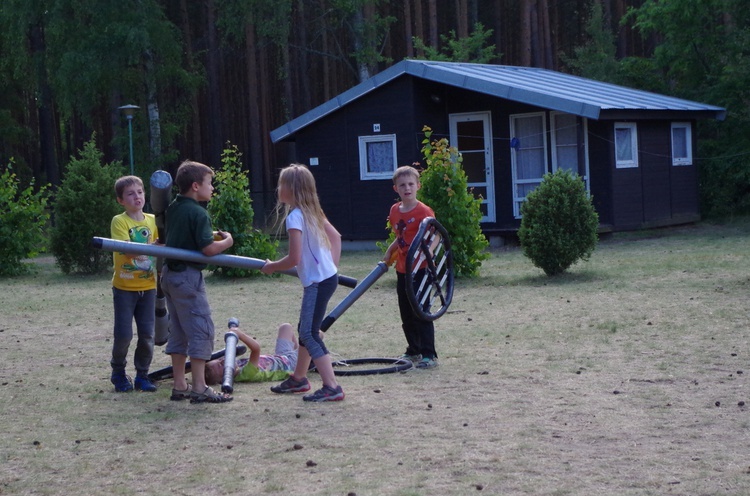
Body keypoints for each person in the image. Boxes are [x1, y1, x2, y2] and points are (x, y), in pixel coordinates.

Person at [261, 163, 345, 402]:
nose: (278, 188)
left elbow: (294, 258)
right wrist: (331, 267)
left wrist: (271, 267)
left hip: (318, 283)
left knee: (309, 333)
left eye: (281, 184)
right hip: (326, 278)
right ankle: (299, 379)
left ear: (291, 189)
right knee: (305, 330)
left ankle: (331, 386)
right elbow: (336, 238)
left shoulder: (296, 217)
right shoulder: (313, 212)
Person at [160, 160, 234, 404]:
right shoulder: (198, 212)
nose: (212, 188)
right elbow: (208, 249)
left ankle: (180, 384)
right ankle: (200, 387)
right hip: (188, 278)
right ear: (195, 186)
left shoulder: (173, 207)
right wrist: (227, 242)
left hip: (169, 275)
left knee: (179, 330)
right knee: (202, 329)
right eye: (209, 183)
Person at [382, 165, 439, 369]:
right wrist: (390, 251)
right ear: (395, 188)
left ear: (418, 186)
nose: (407, 188)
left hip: (421, 270)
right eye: (402, 185)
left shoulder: (424, 211)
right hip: (403, 269)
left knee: (421, 311)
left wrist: (429, 249)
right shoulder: (395, 211)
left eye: (411, 184)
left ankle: (428, 354)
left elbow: (437, 234)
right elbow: (401, 237)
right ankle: (413, 350)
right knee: (406, 312)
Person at [110, 175, 159, 392]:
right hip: (124, 289)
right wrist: (154, 247)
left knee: (147, 334)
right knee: (124, 335)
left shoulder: (153, 220)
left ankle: (142, 375)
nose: (136, 197)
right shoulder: (120, 221)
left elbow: (162, 247)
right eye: (130, 194)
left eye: (139, 192)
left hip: (148, 288)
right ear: (121, 200)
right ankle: (118, 372)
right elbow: (126, 248)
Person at [204, 320, 299, 386]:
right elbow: (256, 349)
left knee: (285, 327)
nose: (223, 360)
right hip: (291, 365)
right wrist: (240, 334)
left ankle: (308, 360)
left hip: (281, 357)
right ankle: (306, 361)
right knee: (309, 341)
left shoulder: (238, 366)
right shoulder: (247, 373)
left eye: (220, 360)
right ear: (224, 379)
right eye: (221, 365)